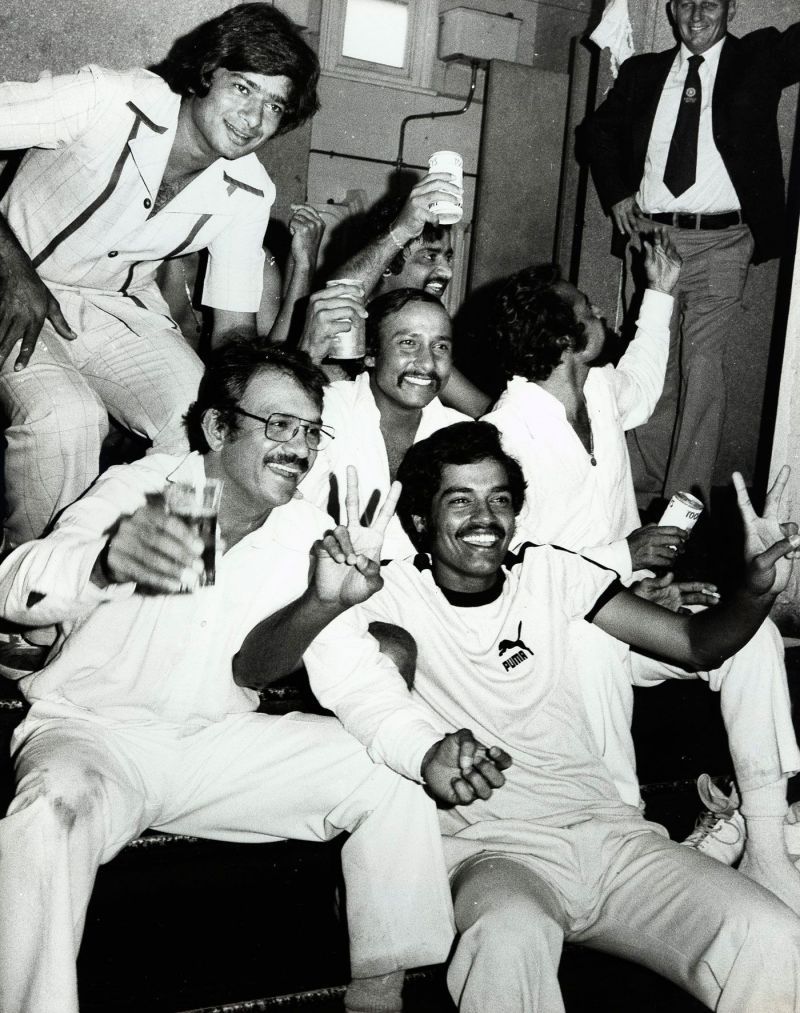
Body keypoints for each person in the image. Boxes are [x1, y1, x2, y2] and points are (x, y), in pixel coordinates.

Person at [0, 344, 513, 1013]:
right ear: (218, 429)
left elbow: (354, 676)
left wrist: (426, 748)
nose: (298, 446)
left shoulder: (307, 530)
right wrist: (102, 563)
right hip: (95, 737)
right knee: (47, 813)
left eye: (308, 430)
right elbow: (13, 586)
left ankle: (379, 995)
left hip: (217, 744)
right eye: (278, 425)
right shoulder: (146, 489)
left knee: (389, 772)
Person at [360, 421, 800, 1013]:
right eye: (459, 500)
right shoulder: (387, 596)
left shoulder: (550, 572)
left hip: (611, 839)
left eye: (500, 500)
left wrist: (755, 592)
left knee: (772, 938)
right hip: (496, 854)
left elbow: (697, 645)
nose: (485, 517)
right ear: (419, 520)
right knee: (507, 937)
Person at [482, 255, 800, 906]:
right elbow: (513, 566)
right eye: (587, 309)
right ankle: (623, 832)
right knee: (596, 644)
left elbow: (643, 382)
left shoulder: (596, 389)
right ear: (563, 338)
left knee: (755, 638)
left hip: (638, 604)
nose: (600, 312)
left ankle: (766, 849)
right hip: (561, 638)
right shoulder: (502, 437)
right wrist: (622, 560)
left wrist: (659, 292)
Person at [0, 3, 320, 553]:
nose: (253, 119)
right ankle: (31, 603)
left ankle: (166, 588)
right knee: (65, 420)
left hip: (113, 308)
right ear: (206, 73)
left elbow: (233, 334)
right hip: (7, 282)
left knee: (209, 429)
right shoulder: (108, 99)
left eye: (274, 106)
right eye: (243, 88)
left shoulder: (249, 190)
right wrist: (12, 266)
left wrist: (264, 399)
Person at [583, 1, 800, 510]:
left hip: (724, 242)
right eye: (686, 2)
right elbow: (594, 132)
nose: (697, 14)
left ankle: (684, 508)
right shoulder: (644, 72)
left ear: (728, 7)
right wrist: (617, 192)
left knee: (702, 364)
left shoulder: (757, 58)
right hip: (657, 241)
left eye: (710, 1)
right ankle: (640, 495)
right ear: (671, 9)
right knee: (655, 362)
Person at [301, 288, 469, 559]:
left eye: (440, 346)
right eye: (408, 343)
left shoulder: (463, 436)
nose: (427, 363)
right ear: (371, 354)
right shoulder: (324, 411)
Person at [305, 176, 491, 416]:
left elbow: (483, 409)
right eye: (429, 257)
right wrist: (401, 230)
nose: (447, 271)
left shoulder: (422, 332)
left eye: (448, 258)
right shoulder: (352, 323)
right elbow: (342, 292)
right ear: (388, 265)